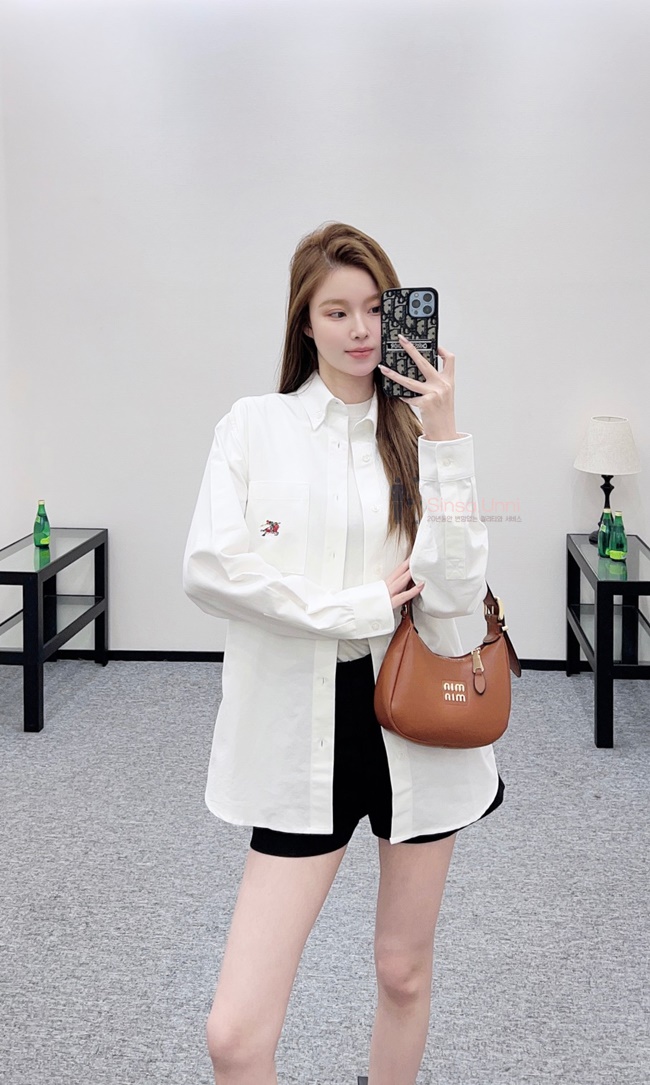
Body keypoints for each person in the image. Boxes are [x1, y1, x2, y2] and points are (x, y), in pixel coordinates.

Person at [182, 222, 504, 1085]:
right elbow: (210, 568)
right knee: (234, 1035)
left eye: (373, 308)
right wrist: (350, 607)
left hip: (416, 725)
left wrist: (445, 440)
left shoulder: (417, 435)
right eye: (337, 311)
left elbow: (457, 595)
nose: (361, 329)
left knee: (403, 971)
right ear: (305, 321)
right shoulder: (255, 427)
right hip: (301, 736)